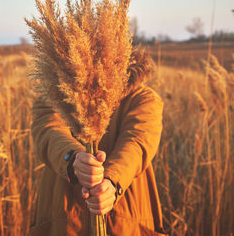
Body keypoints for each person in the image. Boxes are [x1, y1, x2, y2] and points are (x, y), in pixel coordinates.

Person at [29, 59, 167, 235]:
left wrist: (112, 182)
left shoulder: (141, 97)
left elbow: (138, 142)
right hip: (64, 224)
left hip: (126, 222)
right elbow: (49, 130)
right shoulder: (55, 94)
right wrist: (73, 159)